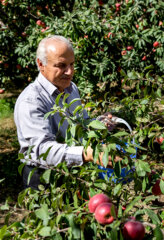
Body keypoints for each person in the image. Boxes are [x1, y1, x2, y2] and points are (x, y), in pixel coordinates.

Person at [14, 35, 114, 190]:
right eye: (61, 65)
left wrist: (100, 124)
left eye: (72, 64)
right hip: (44, 177)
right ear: (41, 64)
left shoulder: (71, 88)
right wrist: (86, 154)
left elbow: (80, 124)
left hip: (72, 169)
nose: (69, 72)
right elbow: (42, 151)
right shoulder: (31, 101)